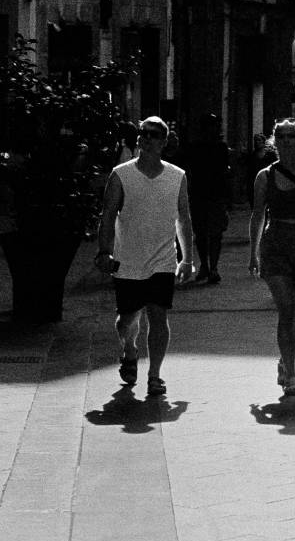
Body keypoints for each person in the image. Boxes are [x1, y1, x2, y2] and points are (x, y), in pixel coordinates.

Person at [96, 116, 195, 398]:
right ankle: (129, 349)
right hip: (127, 261)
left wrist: (186, 259)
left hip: (163, 260)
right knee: (126, 320)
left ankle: (154, 375)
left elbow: (184, 218)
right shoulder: (121, 175)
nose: (146, 138)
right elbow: (107, 216)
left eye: (153, 134)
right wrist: (105, 251)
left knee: (159, 316)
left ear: (164, 142)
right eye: (143, 133)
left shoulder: (177, 176)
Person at [248, 118, 295, 398]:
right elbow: (258, 215)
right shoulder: (264, 177)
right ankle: (291, 374)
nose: (287, 142)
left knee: (294, 315)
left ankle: (284, 360)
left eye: (293, 137)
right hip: (275, 244)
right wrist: (253, 253)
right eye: (282, 137)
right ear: (275, 142)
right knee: (287, 308)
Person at [184, 113, 232, 284]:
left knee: (208, 232)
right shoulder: (216, 147)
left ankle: (209, 267)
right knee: (208, 233)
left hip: (206, 194)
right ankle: (209, 267)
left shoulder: (200, 147)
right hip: (207, 194)